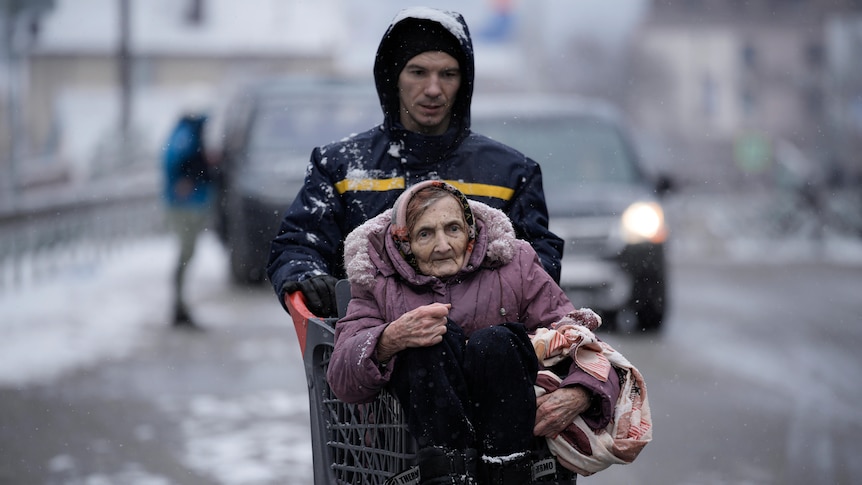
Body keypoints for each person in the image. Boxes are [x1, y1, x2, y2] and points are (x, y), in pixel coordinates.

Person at [266, 7, 564, 318]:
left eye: (448, 74)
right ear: (393, 78)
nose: (433, 89)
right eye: (418, 72)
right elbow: (297, 245)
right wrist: (306, 277)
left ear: (464, 82)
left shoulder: (511, 174)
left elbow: (539, 264)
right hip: (367, 345)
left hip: (481, 352)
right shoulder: (339, 167)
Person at [327, 181, 621, 485]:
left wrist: (581, 392)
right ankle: (448, 474)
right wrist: (389, 339)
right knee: (427, 344)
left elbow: (583, 343)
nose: (442, 246)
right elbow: (341, 379)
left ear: (470, 231)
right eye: (425, 234)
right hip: (415, 454)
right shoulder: (378, 281)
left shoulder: (515, 265)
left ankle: (506, 467)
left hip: (518, 449)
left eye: (453, 229)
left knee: (495, 343)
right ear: (404, 242)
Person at [162, 112, 214, 329]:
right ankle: (178, 306)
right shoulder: (186, 135)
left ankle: (179, 304)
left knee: (187, 254)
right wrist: (187, 179)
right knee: (185, 253)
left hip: (191, 203)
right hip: (185, 205)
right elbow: (176, 162)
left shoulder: (188, 133)